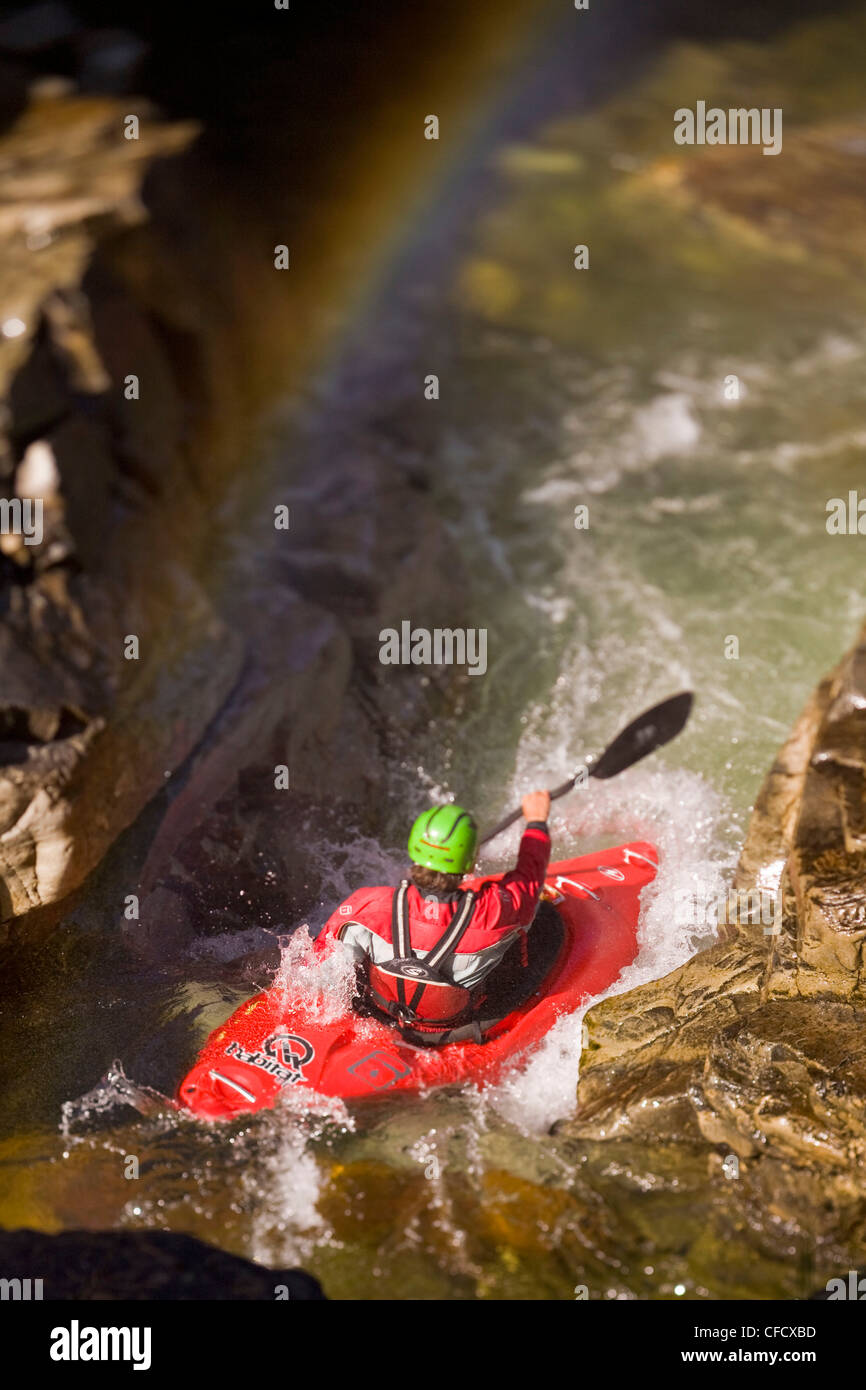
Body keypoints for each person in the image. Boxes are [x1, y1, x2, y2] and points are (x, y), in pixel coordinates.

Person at [314, 790, 552, 1043]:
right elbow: (528, 880)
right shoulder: (494, 912)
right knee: (541, 925)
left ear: (412, 851)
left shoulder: (367, 904)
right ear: (470, 865)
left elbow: (323, 967)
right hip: (452, 1026)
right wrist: (536, 822)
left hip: (381, 1014)